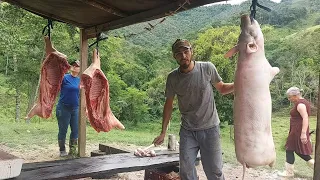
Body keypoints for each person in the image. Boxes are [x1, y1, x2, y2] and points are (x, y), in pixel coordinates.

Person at [153, 39, 234, 180]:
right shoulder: (172, 78)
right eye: (179, 53)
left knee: (214, 170)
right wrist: (163, 132)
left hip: (210, 129)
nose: (183, 56)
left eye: (186, 51)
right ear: (174, 56)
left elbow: (222, 88)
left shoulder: (207, 68)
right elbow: (169, 105)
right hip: (187, 130)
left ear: (192, 51)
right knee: (186, 171)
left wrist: (241, 82)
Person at [278, 87, 314, 177]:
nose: (289, 99)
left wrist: (303, 133)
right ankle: (315, 166)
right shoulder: (303, 102)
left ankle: (289, 173)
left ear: (295, 95)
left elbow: (305, 118)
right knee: (296, 150)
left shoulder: (300, 105)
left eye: (290, 97)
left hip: (298, 131)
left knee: (290, 149)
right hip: (297, 130)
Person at [56, 60, 81, 157]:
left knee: (75, 130)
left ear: (80, 69)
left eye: (77, 66)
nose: (75, 67)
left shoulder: (80, 80)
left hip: (75, 109)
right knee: (63, 130)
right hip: (63, 108)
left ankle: (72, 150)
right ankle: (62, 150)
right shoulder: (64, 78)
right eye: (73, 65)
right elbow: (56, 83)